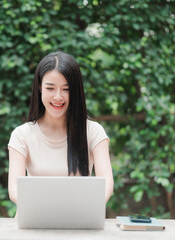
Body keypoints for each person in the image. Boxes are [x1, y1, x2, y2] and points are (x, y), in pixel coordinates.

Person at [7, 51, 114, 206]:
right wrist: (45, 208)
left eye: (66, 89)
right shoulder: (21, 135)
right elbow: (14, 190)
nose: (58, 97)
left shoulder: (94, 132)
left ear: (76, 91)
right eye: (50, 88)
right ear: (39, 88)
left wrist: (89, 208)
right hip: (34, 222)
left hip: (79, 222)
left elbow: (107, 185)